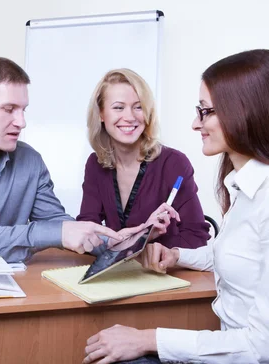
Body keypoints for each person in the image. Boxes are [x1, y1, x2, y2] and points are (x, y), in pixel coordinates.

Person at [82, 49, 269, 364]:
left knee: (110, 363)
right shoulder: (247, 186)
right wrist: (176, 254)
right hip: (238, 360)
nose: (195, 123)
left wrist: (146, 339)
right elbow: (239, 255)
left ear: (245, 112)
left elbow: (266, 349)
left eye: (206, 112)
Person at [0, 57, 162, 262]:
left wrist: (116, 241)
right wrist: (56, 234)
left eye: (23, 110)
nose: (21, 122)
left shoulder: (29, 160)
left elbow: (55, 222)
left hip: (2, 289)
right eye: (9, 110)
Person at [77, 68, 210, 249]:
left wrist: (143, 244)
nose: (130, 117)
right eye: (118, 107)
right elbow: (86, 230)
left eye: (138, 107)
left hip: (161, 273)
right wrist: (137, 238)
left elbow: (196, 238)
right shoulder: (95, 164)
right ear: (101, 113)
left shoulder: (174, 164)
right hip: (116, 275)